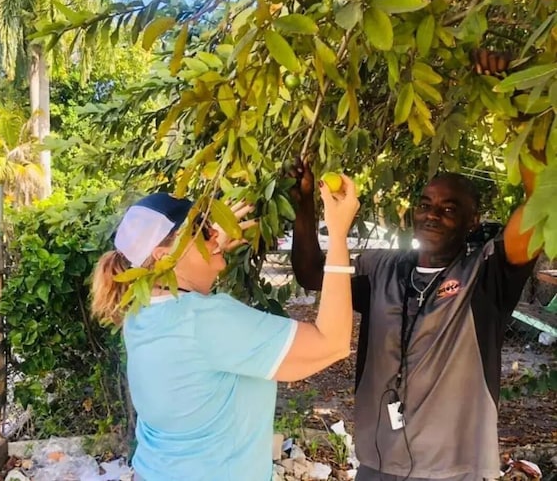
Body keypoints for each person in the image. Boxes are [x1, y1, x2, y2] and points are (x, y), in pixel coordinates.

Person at [90, 180, 359, 481]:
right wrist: (337, 235)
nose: (216, 234)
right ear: (163, 256)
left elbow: (192, 314)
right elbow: (332, 342)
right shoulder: (205, 320)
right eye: (203, 230)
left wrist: (209, 250)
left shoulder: (140, 313)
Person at [290, 159, 540, 481]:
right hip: (377, 464)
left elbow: (535, 214)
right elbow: (312, 274)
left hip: (454, 470)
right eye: (425, 205)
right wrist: (304, 204)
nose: (432, 215)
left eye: (449, 209)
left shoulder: (485, 274)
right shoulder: (380, 269)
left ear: (473, 222)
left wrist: (536, 142)